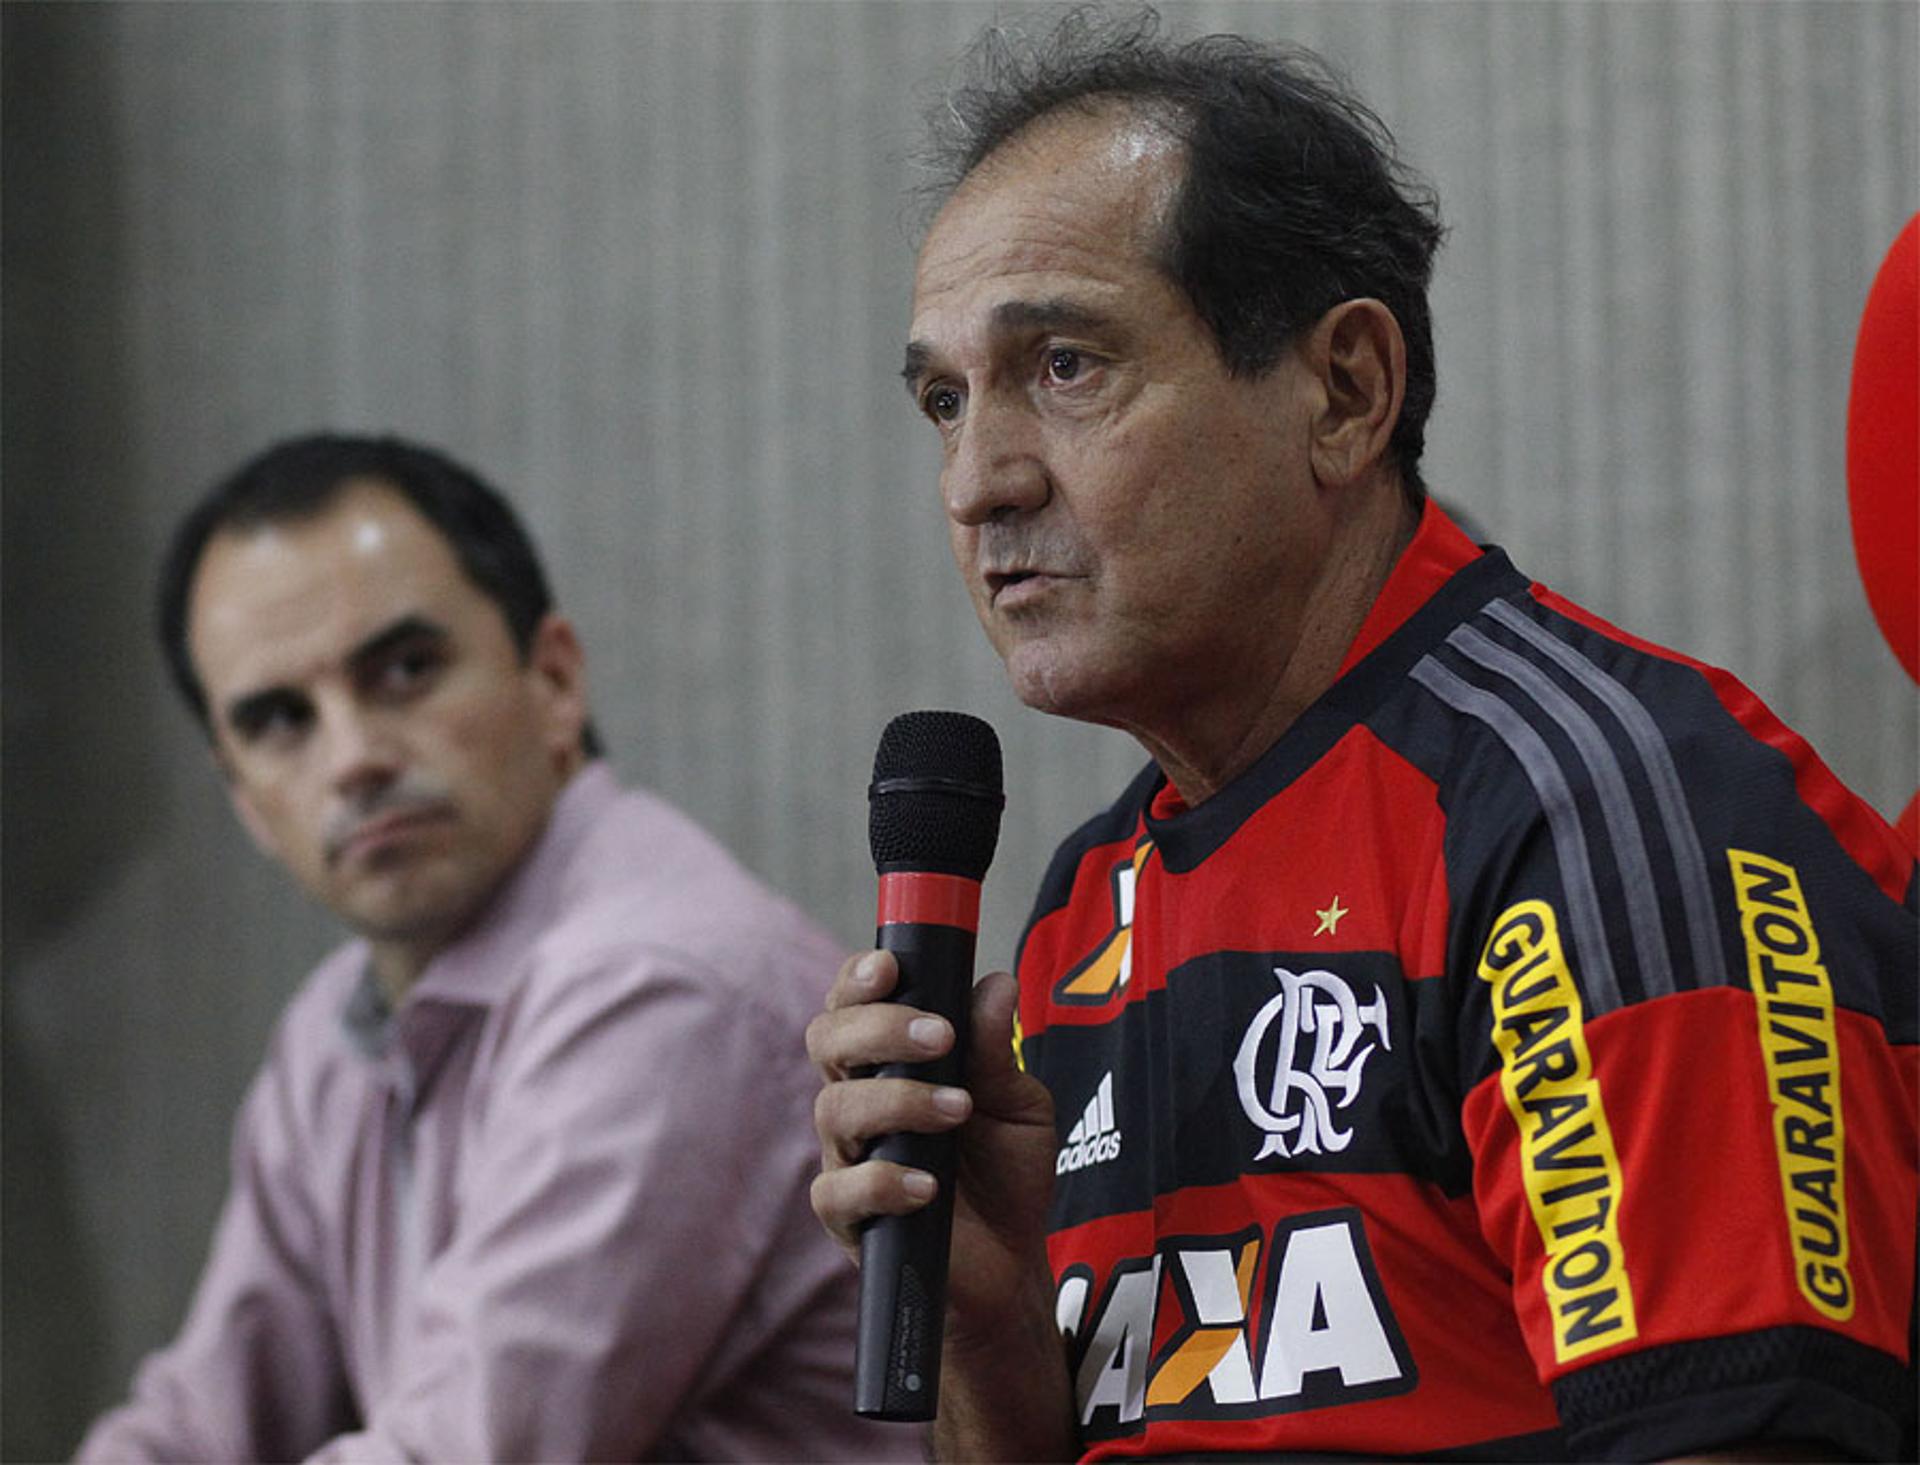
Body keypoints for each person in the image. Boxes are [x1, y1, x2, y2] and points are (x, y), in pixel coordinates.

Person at [809, 14, 1918, 1462]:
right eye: (946, 402)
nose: (978, 482)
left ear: (1344, 392)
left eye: (1066, 366)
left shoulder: (1596, 817)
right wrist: (993, 1324)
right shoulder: (1085, 909)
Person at [80, 434, 912, 1462]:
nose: (353, 759)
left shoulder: (659, 980)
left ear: (555, 679)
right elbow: (195, 1426)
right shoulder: (334, 1029)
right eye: (281, 719)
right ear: (246, 800)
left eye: (405, 670)